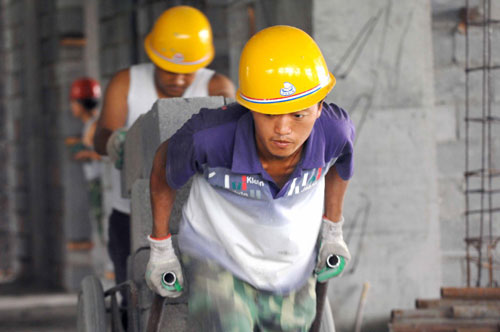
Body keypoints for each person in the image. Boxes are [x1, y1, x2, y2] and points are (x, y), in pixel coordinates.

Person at [146, 25, 354, 331]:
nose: (283, 130)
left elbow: (341, 165)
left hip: (289, 262)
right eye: (270, 114)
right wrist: (161, 250)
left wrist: (333, 231)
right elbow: (164, 169)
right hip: (217, 256)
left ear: (320, 108)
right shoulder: (210, 138)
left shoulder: (335, 133)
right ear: (249, 107)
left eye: (298, 115)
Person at [93, 6, 235, 287]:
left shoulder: (217, 87)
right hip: (130, 213)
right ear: (154, 57)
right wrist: (113, 141)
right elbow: (99, 138)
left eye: (188, 72)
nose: (179, 80)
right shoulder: (126, 83)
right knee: (134, 292)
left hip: (202, 212)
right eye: (170, 70)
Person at [66, 78, 104, 237]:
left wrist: (85, 154)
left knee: (102, 224)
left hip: (100, 183)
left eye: (74, 102)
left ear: (81, 103)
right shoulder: (92, 124)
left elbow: (103, 154)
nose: (72, 107)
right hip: (97, 182)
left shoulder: (94, 125)